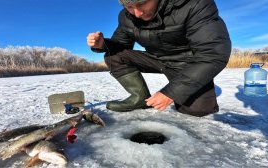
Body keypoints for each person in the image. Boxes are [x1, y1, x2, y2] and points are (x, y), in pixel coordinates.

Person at [87, 0, 231, 117]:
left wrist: (171, 93)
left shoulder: (194, 4)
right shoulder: (126, 17)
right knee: (114, 56)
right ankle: (139, 98)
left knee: (198, 111)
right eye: (129, 6)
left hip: (186, 63)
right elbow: (121, 45)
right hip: (157, 59)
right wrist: (102, 44)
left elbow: (213, 53)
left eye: (142, 3)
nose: (137, 13)